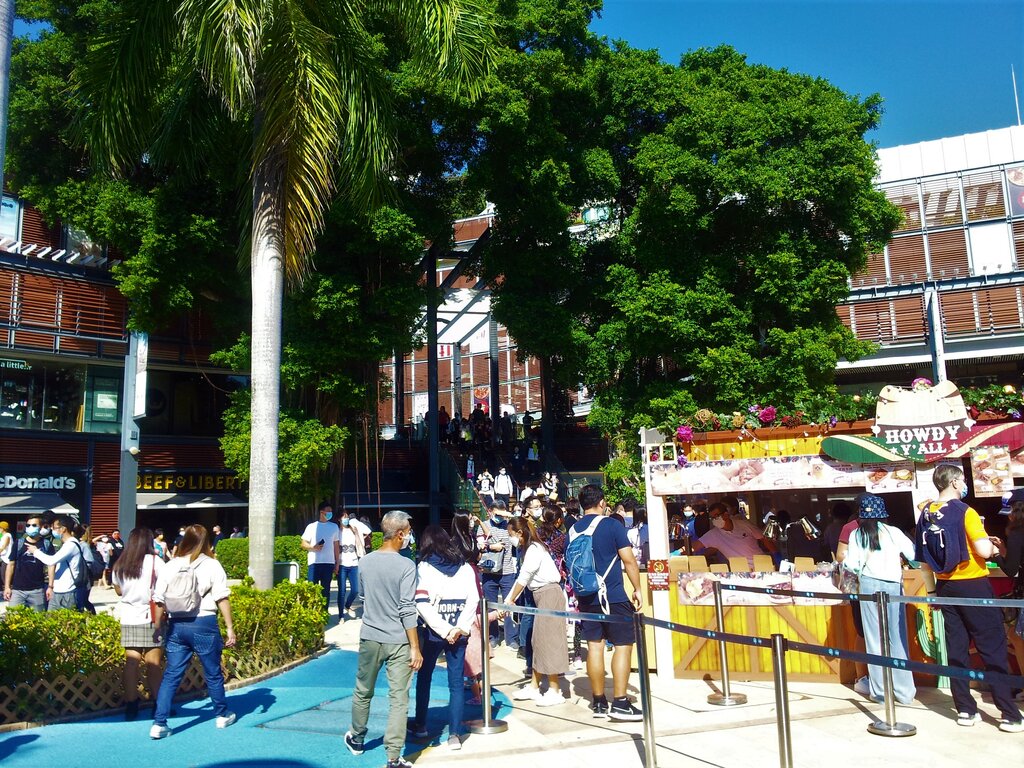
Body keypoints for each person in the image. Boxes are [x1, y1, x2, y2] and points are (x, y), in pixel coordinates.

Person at [922, 463, 1022, 731]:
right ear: (955, 482)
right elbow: (983, 550)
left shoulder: (926, 513)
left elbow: (924, 562)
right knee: (992, 646)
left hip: (945, 587)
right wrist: (993, 547)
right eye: (963, 480)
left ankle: (965, 710)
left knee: (956, 648)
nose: (964, 484)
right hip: (974, 585)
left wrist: (932, 592)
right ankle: (1009, 714)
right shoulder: (966, 512)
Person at [345, 511, 422, 768]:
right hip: (399, 640)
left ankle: (357, 738)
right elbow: (407, 608)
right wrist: (415, 646)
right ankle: (393, 757)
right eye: (408, 531)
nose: (410, 535)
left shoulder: (365, 562)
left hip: (370, 636)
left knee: (363, 690)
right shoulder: (406, 566)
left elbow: (363, 596)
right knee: (399, 698)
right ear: (400, 534)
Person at [149, 524, 236, 739]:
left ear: (185, 539)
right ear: (206, 542)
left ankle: (159, 723)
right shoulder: (212, 564)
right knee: (212, 672)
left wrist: (158, 626)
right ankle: (221, 714)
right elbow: (222, 597)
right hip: (204, 622)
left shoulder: (170, 565)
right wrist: (229, 627)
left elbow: (159, 600)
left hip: (177, 625)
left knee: (171, 674)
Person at [570, 484, 643, 721]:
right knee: (623, 645)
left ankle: (599, 702)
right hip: (613, 595)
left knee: (595, 646)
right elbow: (629, 560)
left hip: (586, 595)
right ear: (602, 502)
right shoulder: (612, 525)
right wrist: (638, 588)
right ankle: (620, 702)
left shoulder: (573, 529)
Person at [409, 525, 478, 750]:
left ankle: (421, 725)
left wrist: (444, 629)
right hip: (459, 632)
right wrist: (458, 628)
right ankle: (454, 734)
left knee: (425, 677)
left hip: (433, 632)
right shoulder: (465, 567)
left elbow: (421, 603)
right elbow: (473, 600)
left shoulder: (424, 567)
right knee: (456, 683)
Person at [846, 494, 916, 705]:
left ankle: (880, 693)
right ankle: (904, 693)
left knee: (874, 639)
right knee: (898, 638)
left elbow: (852, 564)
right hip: (893, 586)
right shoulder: (894, 532)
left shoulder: (857, 534)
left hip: (869, 586)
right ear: (883, 514)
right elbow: (913, 554)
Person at [503, 517, 568, 706]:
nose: (510, 538)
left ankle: (555, 690)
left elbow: (524, 577)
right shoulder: (530, 549)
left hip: (549, 595)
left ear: (520, 533)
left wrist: (510, 599)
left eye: (511, 534)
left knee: (549, 642)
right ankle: (534, 686)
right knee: (538, 641)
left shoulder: (534, 549)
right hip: (540, 596)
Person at [111, 527, 166, 721]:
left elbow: (118, 590)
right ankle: (159, 705)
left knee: (131, 663)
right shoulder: (155, 562)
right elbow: (165, 588)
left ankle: (131, 705)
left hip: (129, 616)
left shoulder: (121, 563)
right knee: (154, 664)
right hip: (151, 616)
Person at [481, 500, 518, 649]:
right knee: (490, 606)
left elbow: (521, 527)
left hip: (507, 571)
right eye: (497, 514)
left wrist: (508, 515)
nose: (499, 517)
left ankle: (511, 638)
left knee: (509, 605)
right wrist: (491, 546)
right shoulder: (483, 525)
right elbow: (479, 546)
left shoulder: (509, 525)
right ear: (490, 511)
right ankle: (493, 636)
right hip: (489, 571)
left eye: (502, 514)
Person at [27, 514, 84, 611]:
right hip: (58, 590)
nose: (52, 530)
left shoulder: (71, 545)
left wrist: (35, 551)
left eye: (54, 528)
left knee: (65, 619)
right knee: (50, 618)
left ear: (63, 529)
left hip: (67, 591)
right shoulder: (66, 544)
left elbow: (51, 561)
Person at [696, 502, 775, 568]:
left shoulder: (744, 525)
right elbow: (693, 547)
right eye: (712, 518)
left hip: (762, 566)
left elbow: (764, 538)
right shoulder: (713, 534)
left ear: (726, 514)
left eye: (716, 516)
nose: (714, 520)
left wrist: (776, 554)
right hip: (739, 572)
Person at [3, 514, 55, 610]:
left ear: (41, 527)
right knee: (13, 617)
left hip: (37, 590)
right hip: (18, 590)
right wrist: (7, 587)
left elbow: (51, 565)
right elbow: (11, 565)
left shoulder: (46, 544)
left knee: (38, 618)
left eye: (34, 525)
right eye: (28, 525)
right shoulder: (19, 543)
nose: (30, 527)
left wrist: (50, 586)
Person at [301, 501, 341, 606]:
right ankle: (312, 611)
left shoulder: (334, 527)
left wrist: (337, 563)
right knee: (312, 590)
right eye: (328, 511)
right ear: (321, 512)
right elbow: (303, 544)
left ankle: (324, 612)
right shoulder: (311, 527)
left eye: (331, 511)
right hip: (314, 563)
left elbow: (336, 546)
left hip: (328, 563)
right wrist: (313, 547)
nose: (330, 513)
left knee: (325, 591)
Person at [338, 509, 370, 619]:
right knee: (342, 591)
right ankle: (341, 616)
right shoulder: (337, 531)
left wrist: (356, 523)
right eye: (344, 517)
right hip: (342, 563)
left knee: (355, 589)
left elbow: (367, 531)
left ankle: (347, 605)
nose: (346, 519)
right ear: (339, 519)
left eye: (347, 517)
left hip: (354, 562)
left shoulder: (353, 528)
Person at [74, 523, 98, 613]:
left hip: (84, 578)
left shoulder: (83, 545)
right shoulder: (82, 544)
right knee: (83, 601)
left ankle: (92, 615)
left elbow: (89, 562)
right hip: (82, 578)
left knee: (82, 601)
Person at [0, 521, 12, 588]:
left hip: (6, 559)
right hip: (3, 558)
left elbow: (4, 546)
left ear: (3, 528)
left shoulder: (7, 535)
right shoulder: (3, 536)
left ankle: (8, 589)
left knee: (4, 576)